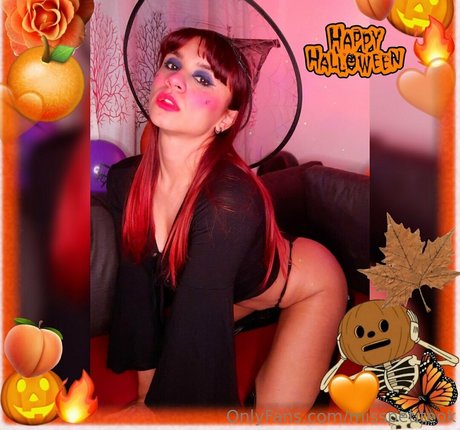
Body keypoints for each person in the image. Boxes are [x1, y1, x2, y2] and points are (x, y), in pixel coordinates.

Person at [106, 27, 347, 412]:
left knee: (273, 417)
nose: (175, 80)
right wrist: (142, 398)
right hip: (234, 291)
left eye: (202, 78)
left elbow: (197, 357)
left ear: (225, 119)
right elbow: (137, 292)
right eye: (172, 64)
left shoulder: (228, 200)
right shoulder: (126, 180)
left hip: (307, 286)